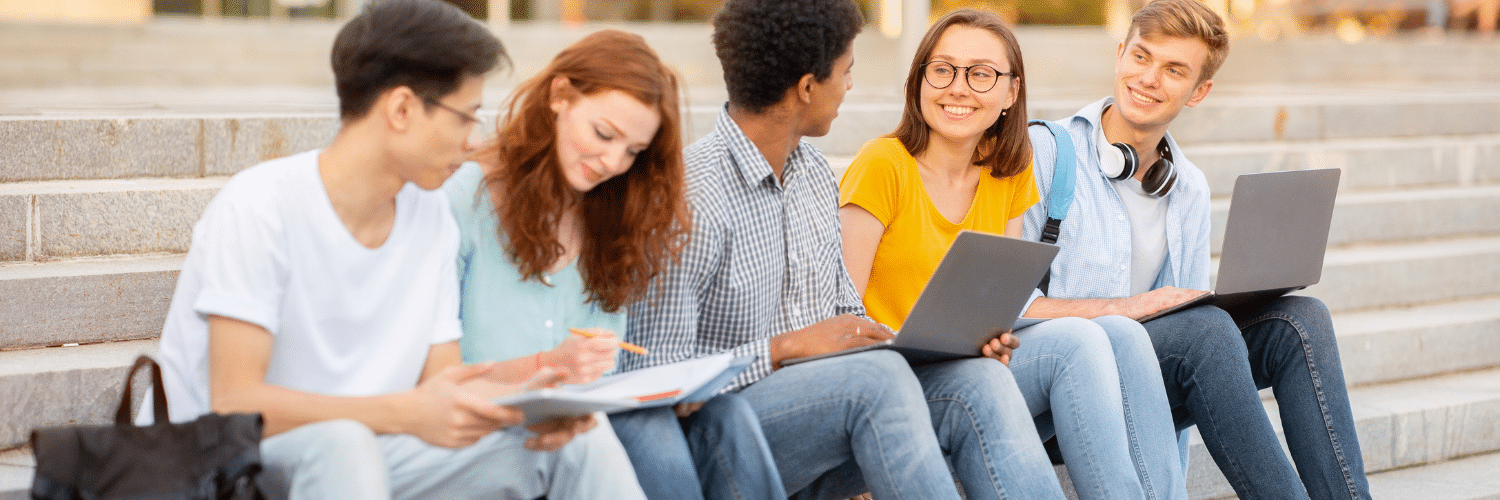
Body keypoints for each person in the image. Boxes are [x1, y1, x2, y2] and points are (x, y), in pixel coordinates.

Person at [145, 1, 644, 498]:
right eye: (465, 118)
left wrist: (533, 402)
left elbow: (446, 381)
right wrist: (404, 413)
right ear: (402, 109)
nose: (473, 142)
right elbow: (235, 404)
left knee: (579, 441)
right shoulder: (260, 206)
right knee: (344, 446)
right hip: (228, 460)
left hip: (373, 447)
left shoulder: (428, 219)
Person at [622, 0, 1065, 498]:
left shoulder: (812, 173)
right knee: (873, 381)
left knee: (979, 381)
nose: (850, 85)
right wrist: (781, 350)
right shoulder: (688, 197)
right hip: (723, 432)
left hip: (831, 408)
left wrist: (947, 343)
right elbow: (650, 372)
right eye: (846, 71)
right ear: (808, 87)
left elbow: (847, 316)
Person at [1020, 1, 1370, 499]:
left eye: (1174, 70)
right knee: (1204, 331)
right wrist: (1124, 310)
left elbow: (1185, 347)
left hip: (1146, 383)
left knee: (1301, 320)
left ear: (1199, 91)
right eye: (1141, 57)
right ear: (1120, 54)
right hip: (1068, 385)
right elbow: (1005, 310)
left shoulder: (1188, 187)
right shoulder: (1046, 153)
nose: (1148, 78)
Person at [837, 9, 1185, 500]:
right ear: (919, 81)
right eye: (942, 69)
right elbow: (839, 316)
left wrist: (992, 336)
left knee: (1120, 336)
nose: (958, 88)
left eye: (981, 74)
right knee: (1078, 343)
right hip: (897, 381)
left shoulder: (1008, 172)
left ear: (1010, 93)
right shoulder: (882, 165)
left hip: (974, 367)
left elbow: (999, 304)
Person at [446, 29, 785, 500]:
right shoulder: (464, 197)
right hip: (478, 428)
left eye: (633, 152)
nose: (611, 161)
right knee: (644, 434)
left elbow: (598, 374)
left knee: (726, 416)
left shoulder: (608, 217)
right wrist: (548, 365)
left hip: (575, 427)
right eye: (603, 134)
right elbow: (434, 373)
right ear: (560, 95)